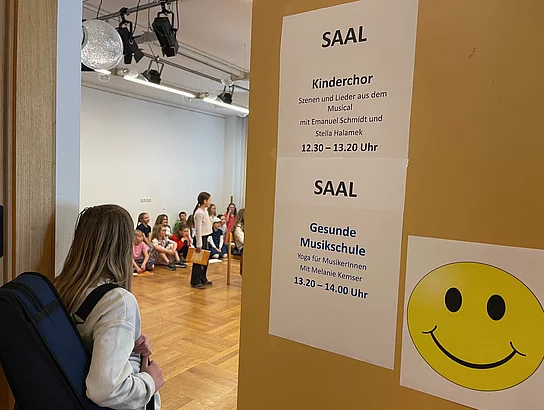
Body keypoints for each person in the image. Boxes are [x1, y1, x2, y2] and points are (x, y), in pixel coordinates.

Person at [54, 205, 163, 409]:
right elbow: (105, 390)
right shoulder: (117, 302)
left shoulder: (60, 286)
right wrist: (150, 382)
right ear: (123, 246)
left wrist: (129, 342)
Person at [191, 192, 213, 289]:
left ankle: (203, 278)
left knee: (205, 260)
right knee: (198, 261)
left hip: (205, 237)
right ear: (205, 201)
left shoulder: (205, 211)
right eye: (209, 200)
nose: (210, 202)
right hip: (200, 238)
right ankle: (195, 281)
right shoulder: (199, 213)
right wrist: (199, 244)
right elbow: (198, 229)